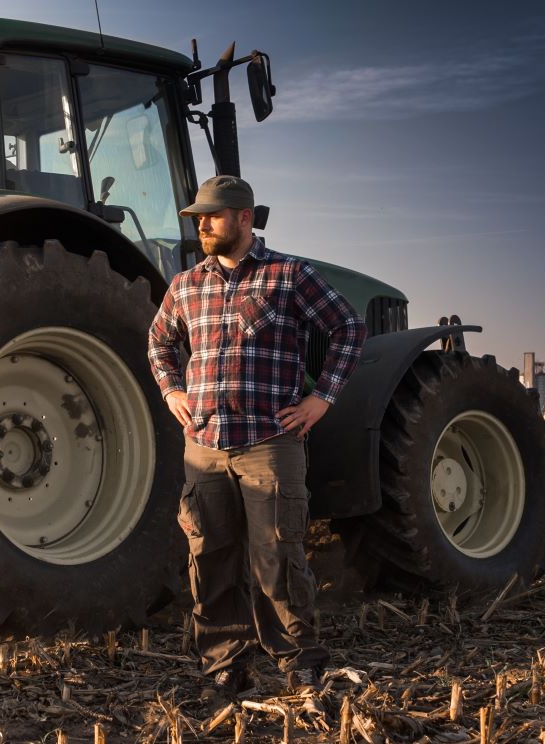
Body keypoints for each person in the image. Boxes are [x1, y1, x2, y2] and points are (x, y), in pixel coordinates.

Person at [147, 175, 366, 701]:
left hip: (269, 441)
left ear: (244, 218)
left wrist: (322, 398)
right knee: (211, 557)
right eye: (198, 216)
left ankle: (299, 664)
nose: (202, 223)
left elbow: (348, 328)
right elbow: (159, 342)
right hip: (204, 445)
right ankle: (225, 665)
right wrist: (172, 390)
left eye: (213, 215)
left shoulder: (287, 275)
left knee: (279, 556)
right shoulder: (185, 285)